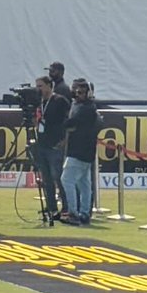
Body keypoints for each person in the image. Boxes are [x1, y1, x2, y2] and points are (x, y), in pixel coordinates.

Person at [60, 79, 98, 225]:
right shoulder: (86, 106)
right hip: (85, 151)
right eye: (76, 92)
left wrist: (65, 124)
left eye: (81, 92)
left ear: (88, 93)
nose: (78, 94)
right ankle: (84, 213)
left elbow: (70, 123)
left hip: (78, 150)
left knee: (67, 180)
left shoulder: (85, 108)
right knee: (84, 184)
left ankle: (73, 213)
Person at [33, 75, 70, 219]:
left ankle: (67, 207)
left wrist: (65, 140)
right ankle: (51, 207)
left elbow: (69, 120)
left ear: (49, 86)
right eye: (37, 86)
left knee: (59, 178)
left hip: (55, 145)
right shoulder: (38, 102)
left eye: (40, 86)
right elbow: (36, 120)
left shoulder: (60, 101)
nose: (38, 89)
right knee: (46, 179)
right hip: (42, 144)